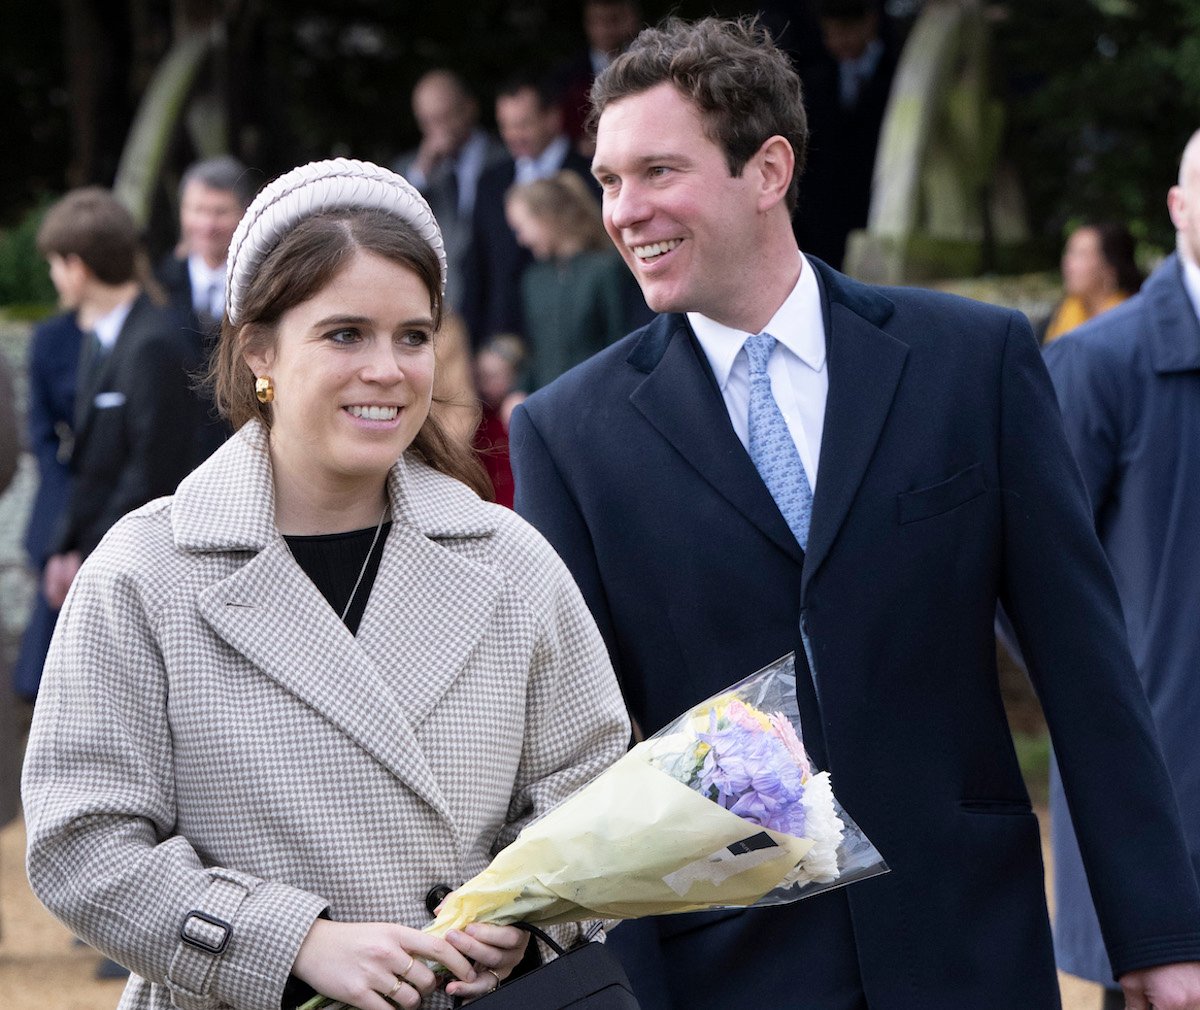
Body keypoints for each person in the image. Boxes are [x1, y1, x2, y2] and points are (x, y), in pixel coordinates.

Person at [509, 16, 1200, 1010]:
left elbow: (1088, 670)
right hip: (728, 974)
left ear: (769, 169)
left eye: (658, 171)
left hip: (971, 946)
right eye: (610, 180)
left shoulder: (976, 362)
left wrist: (1159, 933)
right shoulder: (567, 434)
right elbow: (587, 756)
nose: (625, 211)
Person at [22, 158, 630, 1010]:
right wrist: (289, 940)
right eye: (346, 334)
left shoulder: (510, 558)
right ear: (257, 348)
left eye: (412, 336)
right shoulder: (143, 572)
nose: (388, 369)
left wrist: (529, 921)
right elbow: (80, 844)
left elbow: (590, 782)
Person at [1042, 132, 1200, 1010]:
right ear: (1178, 210)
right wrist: (1111, 702)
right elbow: (1026, 586)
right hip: (1158, 797)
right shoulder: (1097, 365)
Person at [35, 187, 208, 613]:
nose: (54, 276)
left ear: (77, 268)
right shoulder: (104, 336)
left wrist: (90, 553)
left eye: (55, 264)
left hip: (138, 560)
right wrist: (64, 545)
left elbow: (151, 468)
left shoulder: (153, 343)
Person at [463, 78, 597, 346]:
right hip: (500, 343)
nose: (514, 135)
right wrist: (475, 343)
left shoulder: (591, 174)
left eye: (523, 124)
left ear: (552, 118)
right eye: (506, 126)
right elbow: (477, 266)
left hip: (574, 340)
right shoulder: (491, 182)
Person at [505, 171, 641, 389]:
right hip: (549, 404)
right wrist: (519, 390)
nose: (521, 240)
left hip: (599, 396)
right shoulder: (534, 279)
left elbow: (621, 340)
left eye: (521, 227)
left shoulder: (606, 269)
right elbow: (536, 350)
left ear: (547, 217)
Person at [157, 155, 255, 456]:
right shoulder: (158, 284)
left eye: (220, 212)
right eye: (197, 210)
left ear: (243, 213)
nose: (207, 225)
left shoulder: (262, 285)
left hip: (244, 443)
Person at [793, 0, 899, 269]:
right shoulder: (814, 77)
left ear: (870, 22)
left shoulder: (899, 69)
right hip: (826, 213)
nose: (840, 41)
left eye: (847, 30)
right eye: (832, 33)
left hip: (881, 198)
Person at [393, 70, 509, 316]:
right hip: (441, 305)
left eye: (444, 118)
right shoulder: (411, 170)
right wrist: (423, 170)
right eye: (427, 122)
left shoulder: (504, 158)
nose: (437, 130)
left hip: (494, 300)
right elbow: (393, 222)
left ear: (469, 108)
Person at [10, 311, 82, 702]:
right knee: (38, 682)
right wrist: (60, 538)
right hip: (57, 514)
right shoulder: (50, 337)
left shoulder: (150, 332)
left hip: (111, 519)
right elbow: (40, 438)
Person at [551, 0, 642, 154]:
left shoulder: (647, 62)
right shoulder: (570, 75)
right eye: (597, 21)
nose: (604, 30)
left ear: (629, 18)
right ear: (587, 24)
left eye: (612, 20)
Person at [1042, 221, 1143, 343]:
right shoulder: (1061, 316)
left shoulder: (1133, 322)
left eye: (1081, 254)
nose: (1068, 263)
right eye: (1068, 252)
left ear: (1110, 269)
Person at [473, 333, 529, 508]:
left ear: (512, 375)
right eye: (481, 376)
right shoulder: (476, 417)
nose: (486, 384)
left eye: (494, 376)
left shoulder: (519, 413)